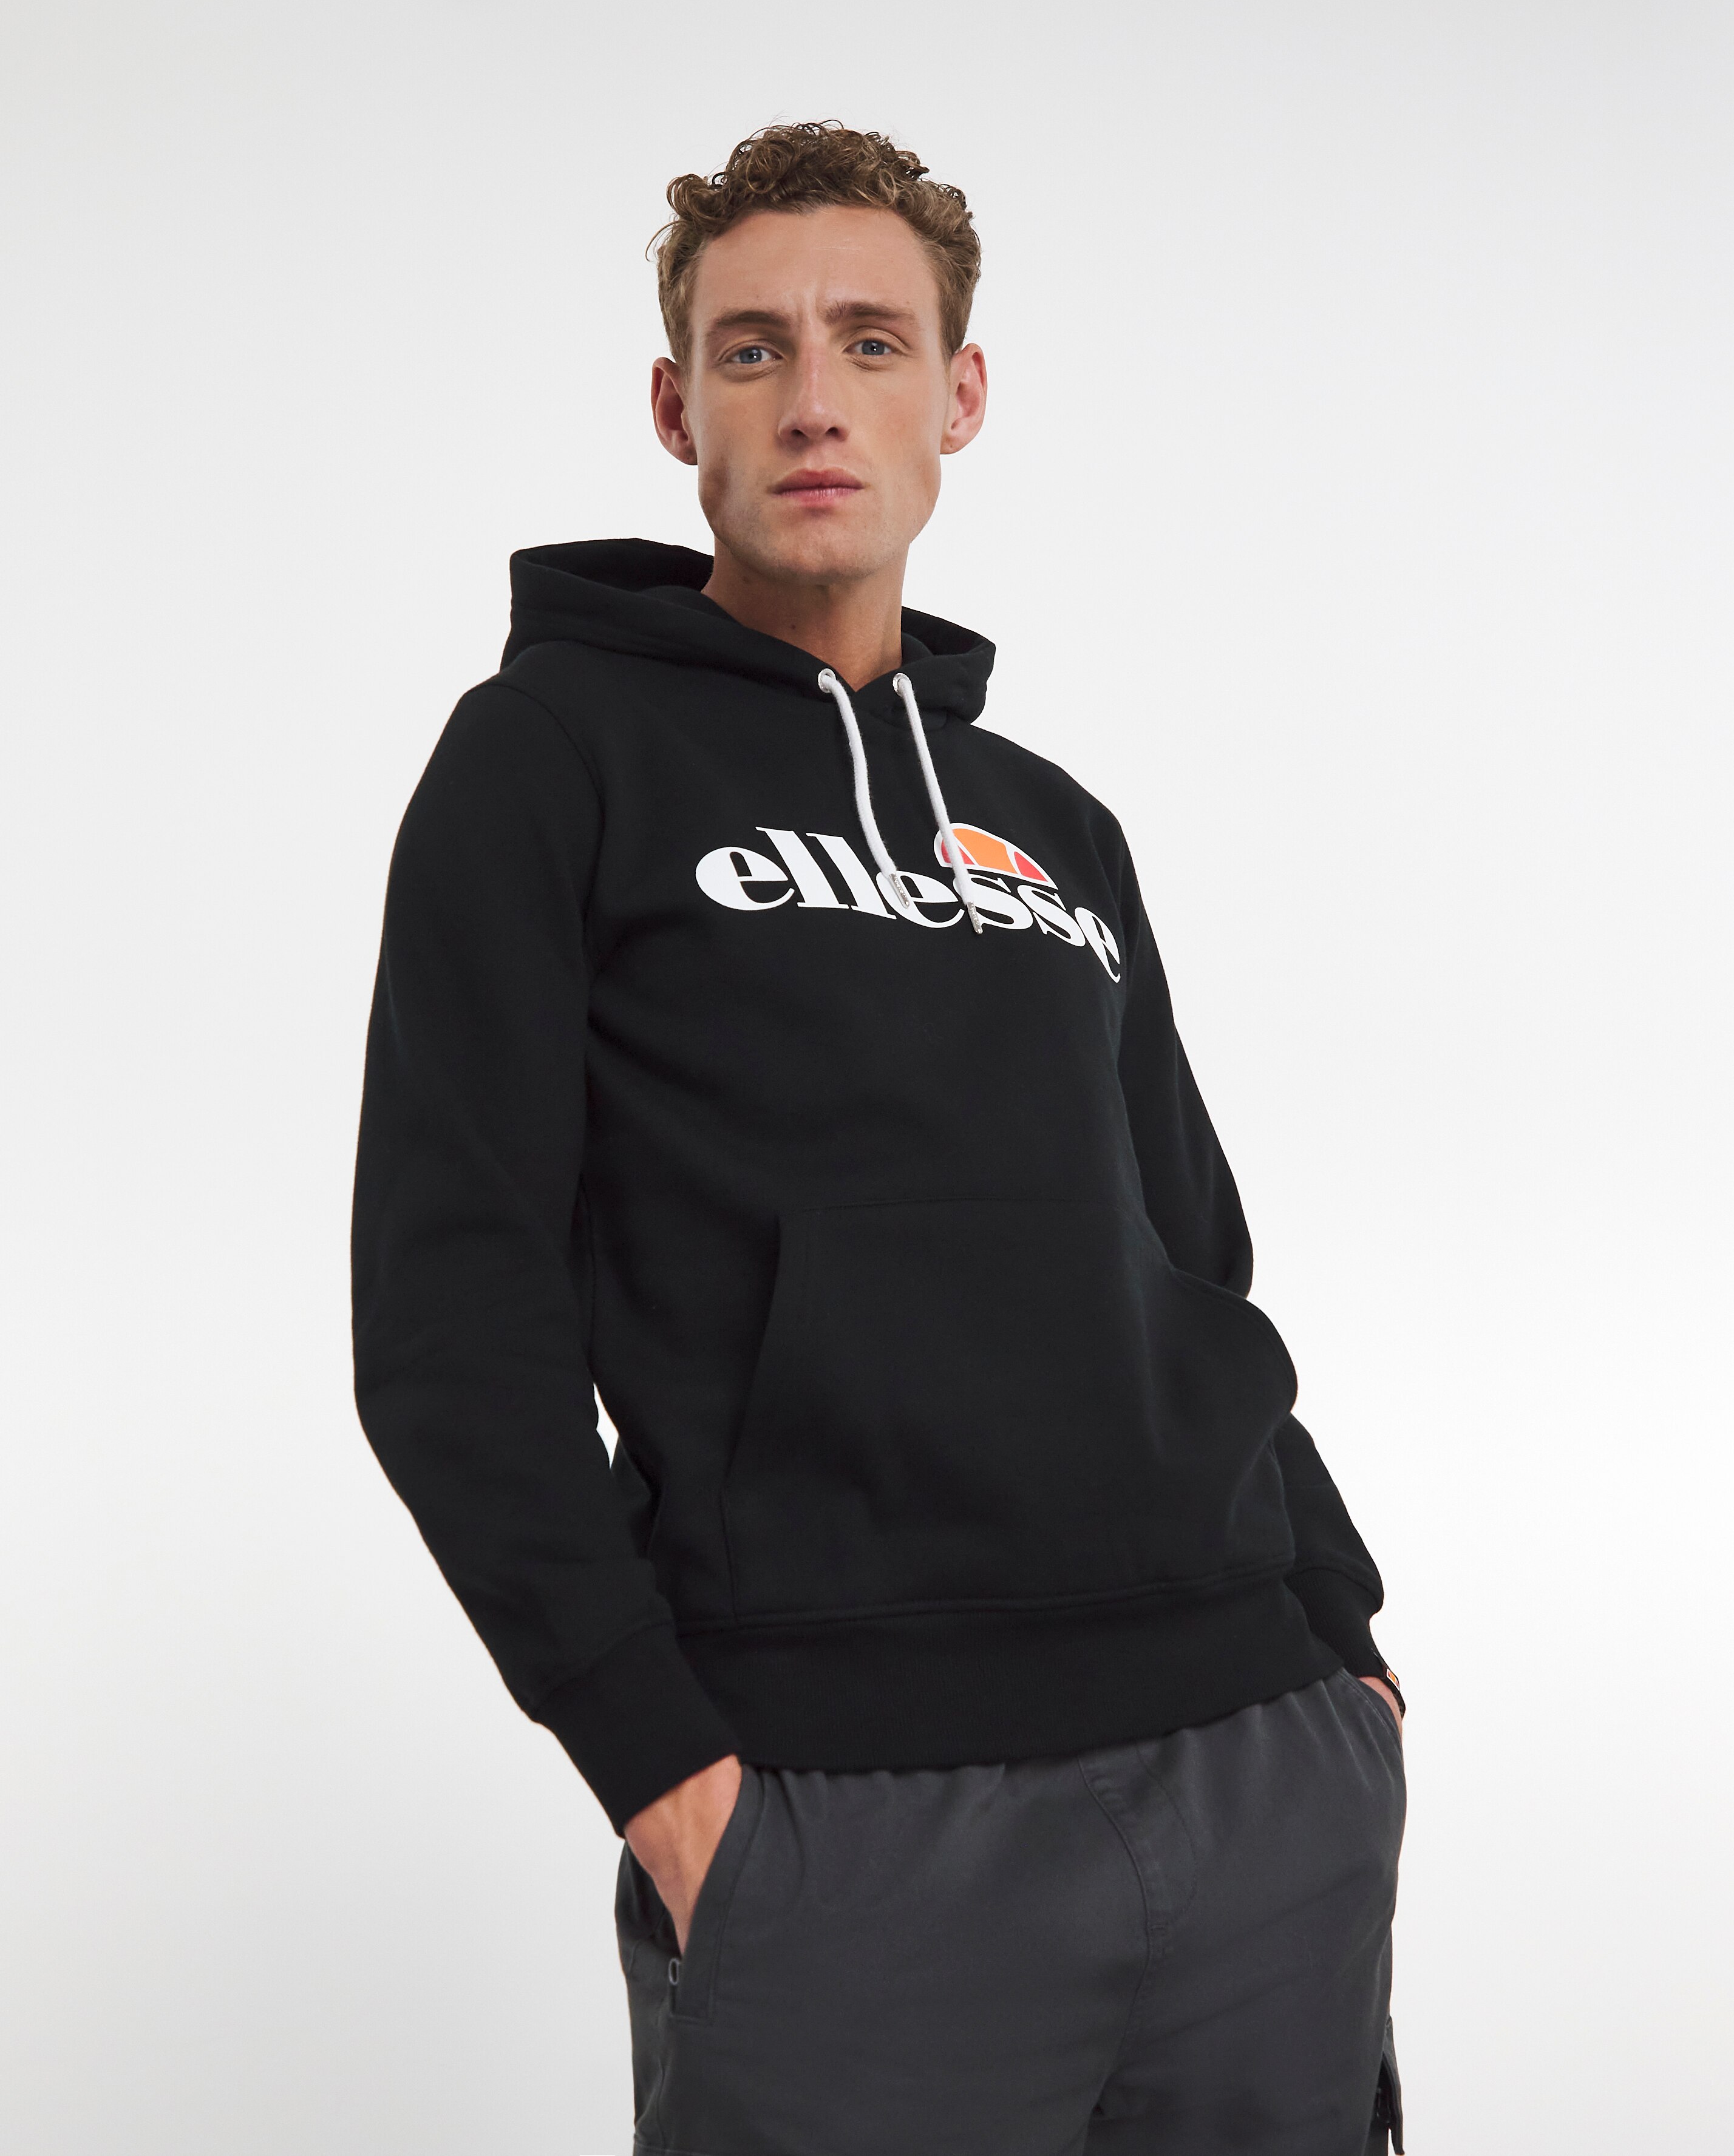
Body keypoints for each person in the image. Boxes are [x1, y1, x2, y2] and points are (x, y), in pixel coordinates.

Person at [351, 121, 1406, 2156]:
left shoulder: (1054, 822)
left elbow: (1190, 1267)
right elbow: (450, 1317)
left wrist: (1342, 1650)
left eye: (871, 341)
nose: (814, 400)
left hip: (1258, 1780)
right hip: (846, 1830)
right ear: (677, 409)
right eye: (751, 350)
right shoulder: (548, 758)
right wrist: (672, 1784)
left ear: (960, 394)